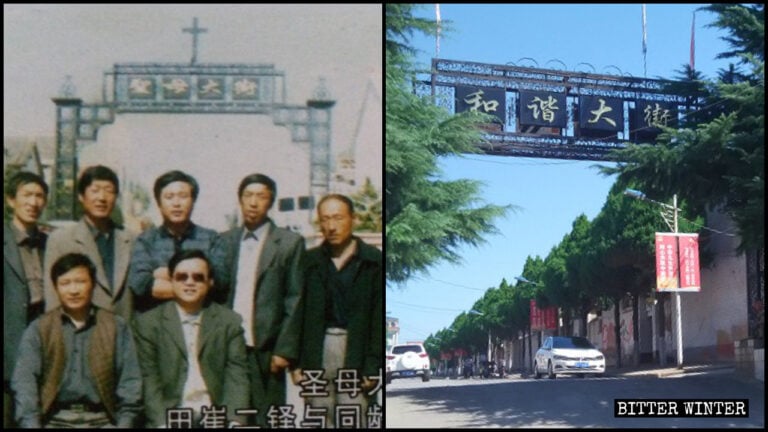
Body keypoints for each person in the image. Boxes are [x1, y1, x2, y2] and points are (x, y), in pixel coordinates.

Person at [11, 253, 142, 428]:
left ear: (93, 284)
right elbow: (24, 382)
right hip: (54, 420)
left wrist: (124, 424)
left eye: (80, 281)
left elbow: (130, 383)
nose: (73, 290)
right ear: (56, 287)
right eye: (65, 283)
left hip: (103, 420)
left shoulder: (116, 326)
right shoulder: (39, 328)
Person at [217, 173, 305, 426]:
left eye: (261, 196)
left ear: (271, 202)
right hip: (231, 345)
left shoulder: (288, 243)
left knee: (268, 418)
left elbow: (294, 299)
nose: (253, 202)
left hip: (266, 349)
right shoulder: (224, 241)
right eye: (248, 196)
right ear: (240, 200)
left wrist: (284, 351)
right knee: (233, 416)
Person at [132, 249, 249, 428]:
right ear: (171, 281)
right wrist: (163, 424)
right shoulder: (148, 324)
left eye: (198, 277)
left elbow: (237, 376)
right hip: (171, 416)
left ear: (210, 282)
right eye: (181, 277)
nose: (190, 283)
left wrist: (235, 421)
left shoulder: (229, 322)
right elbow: (149, 381)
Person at [295, 194, 382, 428]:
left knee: (353, 415)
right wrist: (297, 364)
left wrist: (372, 366)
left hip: (355, 349)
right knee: (319, 417)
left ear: (352, 218)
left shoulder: (373, 262)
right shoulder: (309, 262)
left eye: (338, 218)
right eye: (325, 219)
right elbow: (297, 313)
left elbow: (377, 319)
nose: (331, 226)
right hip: (318, 350)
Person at [43, 165, 136, 320]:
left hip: (124, 332)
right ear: (81, 196)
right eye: (95, 190)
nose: (102, 197)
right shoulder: (61, 239)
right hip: (81, 331)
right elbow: (53, 295)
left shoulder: (131, 239)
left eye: (109, 190)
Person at [128, 170, 224, 312]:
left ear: (193, 201)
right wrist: (197, 280)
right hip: (158, 324)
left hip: (202, 322)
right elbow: (141, 285)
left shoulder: (212, 239)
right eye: (169, 197)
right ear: (159, 203)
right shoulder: (146, 241)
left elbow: (219, 280)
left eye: (183, 196)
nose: (176, 203)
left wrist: (160, 273)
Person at [4, 172, 49, 429]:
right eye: (27, 195)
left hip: (40, 350)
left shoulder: (49, 244)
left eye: (39, 196)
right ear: (11, 200)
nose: (34, 202)